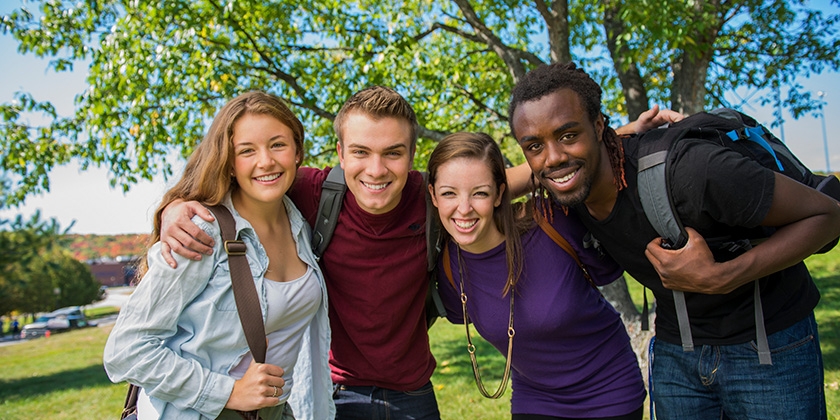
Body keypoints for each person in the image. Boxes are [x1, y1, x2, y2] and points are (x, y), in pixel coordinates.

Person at [158, 86, 674, 419]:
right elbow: (238, 177)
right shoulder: (311, 192)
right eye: (360, 152)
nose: (376, 170)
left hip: (415, 396)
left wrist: (616, 135)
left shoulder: (436, 199)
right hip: (338, 395)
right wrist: (175, 209)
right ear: (338, 154)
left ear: (412, 160)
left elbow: (499, 180)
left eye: (394, 153)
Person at [508, 62, 840, 419]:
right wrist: (626, 130)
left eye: (568, 135)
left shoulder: (692, 171)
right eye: (533, 146)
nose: (554, 157)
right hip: (676, 353)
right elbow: (485, 188)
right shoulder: (568, 191)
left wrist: (725, 276)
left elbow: (829, 215)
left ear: (598, 125)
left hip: (769, 347)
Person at [103, 91, 334, 420]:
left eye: (277, 144)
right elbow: (125, 350)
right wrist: (228, 392)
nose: (265, 161)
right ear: (229, 162)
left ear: (297, 150)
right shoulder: (201, 233)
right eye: (247, 151)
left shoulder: (301, 221)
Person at [427, 132, 646, 420]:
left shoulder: (552, 222)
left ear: (499, 194)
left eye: (479, 192)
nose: (464, 208)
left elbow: (574, 161)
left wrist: (624, 132)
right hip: (535, 399)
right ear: (433, 195)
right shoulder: (447, 267)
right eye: (449, 193)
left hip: (608, 390)